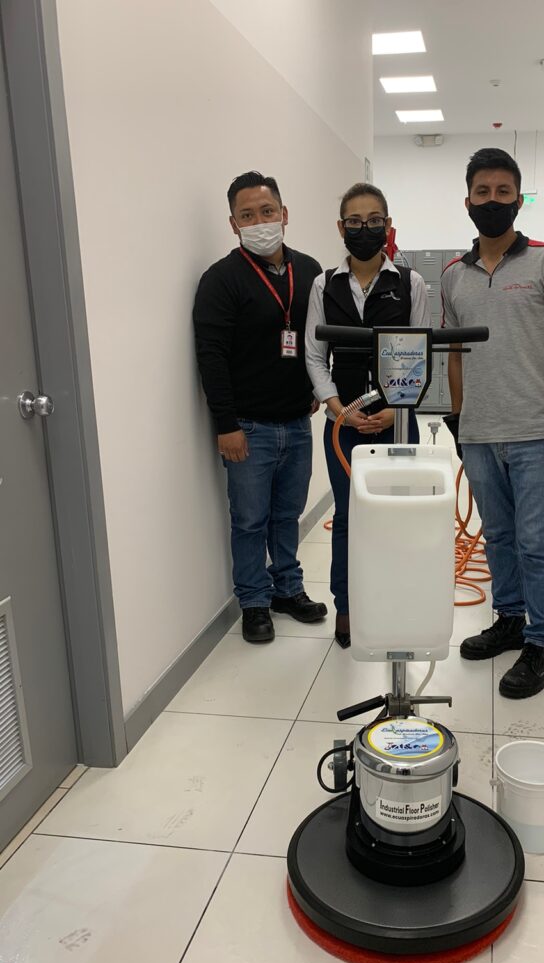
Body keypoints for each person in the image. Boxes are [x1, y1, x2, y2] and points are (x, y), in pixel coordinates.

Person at [441, 148, 544, 699]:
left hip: (537, 430)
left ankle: (541, 645)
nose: (493, 201)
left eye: (503, 192)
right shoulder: (453, 276)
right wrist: (458, 420)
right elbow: (455, 354)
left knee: (536, 543)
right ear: (468, 201)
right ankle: (509, 619)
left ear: (518, 200)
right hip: (480, 432)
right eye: (483, 192)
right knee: (498, 535)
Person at [193, 171, 327, 644]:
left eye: (267, 211)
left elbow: (318, 339)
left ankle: (287, 589)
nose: (259, 222)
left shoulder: (310, 271)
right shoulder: (221, 280)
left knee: (287, 514)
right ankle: (253, 601)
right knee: (249, 520)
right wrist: (226, 424)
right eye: (247, 215)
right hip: (248, 427)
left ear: (284, 214)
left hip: (297, 420)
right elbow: (211, 356)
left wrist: (319, 387)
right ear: (233, 224)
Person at [305, 183, 430, 648]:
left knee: (398, 516)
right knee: (350, 516)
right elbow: (315, 356)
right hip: (344, 425)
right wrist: (340, 410)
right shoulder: (324, 285)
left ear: (388, 226)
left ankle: (394, 603)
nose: (364, 229)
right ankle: (347, 607)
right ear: (341, 228)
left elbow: (421, 354)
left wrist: (397, 411)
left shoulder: (410, 283)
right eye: (355, 222)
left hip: (397, 422)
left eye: (374, 221)